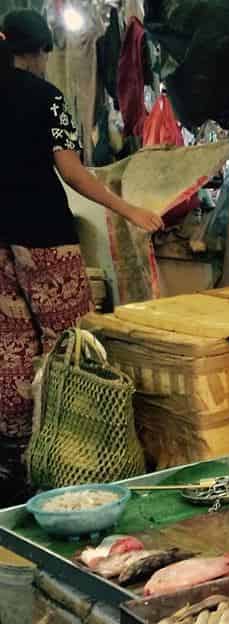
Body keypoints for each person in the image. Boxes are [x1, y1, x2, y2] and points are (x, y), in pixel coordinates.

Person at [0, 10, 162, 479]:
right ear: (38, 53)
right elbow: (71, 172)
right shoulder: (47, 97)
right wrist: (128, 210)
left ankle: (15, 461)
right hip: (45, 236)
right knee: (70, 341)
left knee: (11, 349)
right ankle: (71, 451)